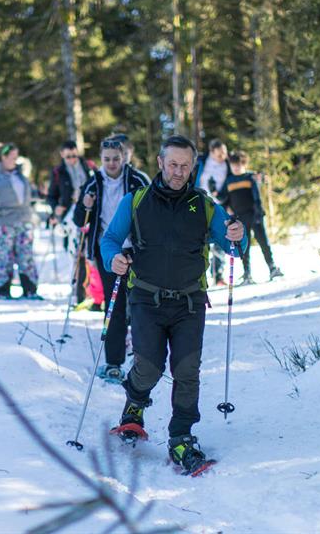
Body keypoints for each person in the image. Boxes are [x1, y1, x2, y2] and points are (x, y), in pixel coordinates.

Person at [101, 135, 247, 474]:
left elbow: (232, 244)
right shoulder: (135, 201)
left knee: (187, 370)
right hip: (145, 298)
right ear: (160, 163)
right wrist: (114, 260)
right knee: (149, 367)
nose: (178, 172)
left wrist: (239, 235)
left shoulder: (204, 203)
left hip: (189, 301)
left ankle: (181, 436)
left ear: (192, 166)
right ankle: (135, 403)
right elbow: (109, 240)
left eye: (184, 166)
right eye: (172, 165)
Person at [73, 136, 151, 383]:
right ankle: (114, 362)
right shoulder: (93, 183)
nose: (112, 163)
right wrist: (85, 206)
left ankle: (145, 358)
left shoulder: (137, 180)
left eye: (116, 158)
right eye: (107, 159)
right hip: (107, 250)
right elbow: (79, 219)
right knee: (114, 305)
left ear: (124, 157)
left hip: (136, 250)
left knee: (139, 302)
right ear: (101, 159)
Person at [0, 142, 42, 300]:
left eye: (16, 157)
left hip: (24, 218)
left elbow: (27, 193)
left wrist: (38, 193)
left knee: (25, 254)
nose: (15, 160)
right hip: (3, 219)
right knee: (4, 255)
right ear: (3, 157)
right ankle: (2, 289)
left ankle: (30, 289)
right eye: (12, 157)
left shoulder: (20, 173)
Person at [222, 151, 283, 284]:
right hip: (239, 218)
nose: (236, 168)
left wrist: (258, 212)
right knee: (244, 246)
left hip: (255, 215)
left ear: (244, 165)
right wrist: (226, 209)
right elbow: (225, 199)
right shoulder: (228, 181)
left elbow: (257, 197)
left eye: (239, 165)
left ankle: (272, 267)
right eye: (234, 165)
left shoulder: (250, 178)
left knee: (263, 242)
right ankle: (247, 273)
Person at [48, 140, 95, 303]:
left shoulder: (88, 166)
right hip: (70, 217)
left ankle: (93, 292)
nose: (72, 160)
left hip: (90, 214)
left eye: (74, 156)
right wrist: (56, 208)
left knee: (91, 254)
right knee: (76, 254)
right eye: (68, 157)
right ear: (62, 155)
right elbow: (51, 196)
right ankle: (79, 292)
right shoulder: (58, 172)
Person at [195, 139, 232, 286]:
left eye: (225, 152)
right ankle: (198, 274)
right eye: (219, 153)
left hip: (219, 206)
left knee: (219, 239)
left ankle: (218, 275)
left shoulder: (228, 165)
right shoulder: (201, 161)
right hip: (198, 205)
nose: (223, 155)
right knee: (199, 240)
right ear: (211, 152)